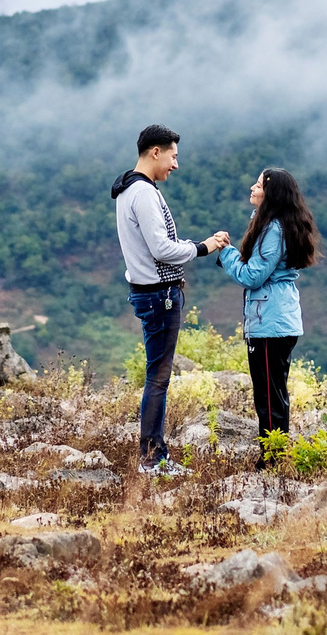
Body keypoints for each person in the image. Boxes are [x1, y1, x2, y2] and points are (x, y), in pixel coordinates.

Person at [111, 123, 228, 472]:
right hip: (159, 296)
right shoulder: (144, 193)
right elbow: (161, 248)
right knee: (158, 378)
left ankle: (153, 454)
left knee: (156, 375)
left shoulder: (127, 189)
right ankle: (152, 458)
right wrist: (202, 247)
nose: (175, 165)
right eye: (173, 156)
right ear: (155, 152)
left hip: (148, 293)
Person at [216, 166, 319, 461]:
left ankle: (272, 459)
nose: (252, 187)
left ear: (270, 193)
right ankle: (276, 453)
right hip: (280, 319)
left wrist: (226, 252)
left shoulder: (273, 230)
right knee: (275, 390)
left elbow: (252, 276)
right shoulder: (277, 225)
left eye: (259, 184)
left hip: (269, 323)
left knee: (268, 394)